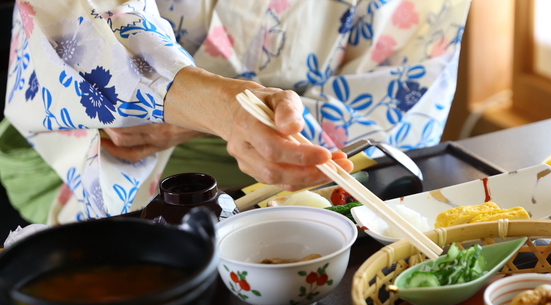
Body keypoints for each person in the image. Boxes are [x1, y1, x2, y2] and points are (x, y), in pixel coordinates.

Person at [1, 0, 471, 225]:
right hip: (91, 138)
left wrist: (226, 115)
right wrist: (189, 99)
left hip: (289, 147)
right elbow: (73, 22)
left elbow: (405, 95)